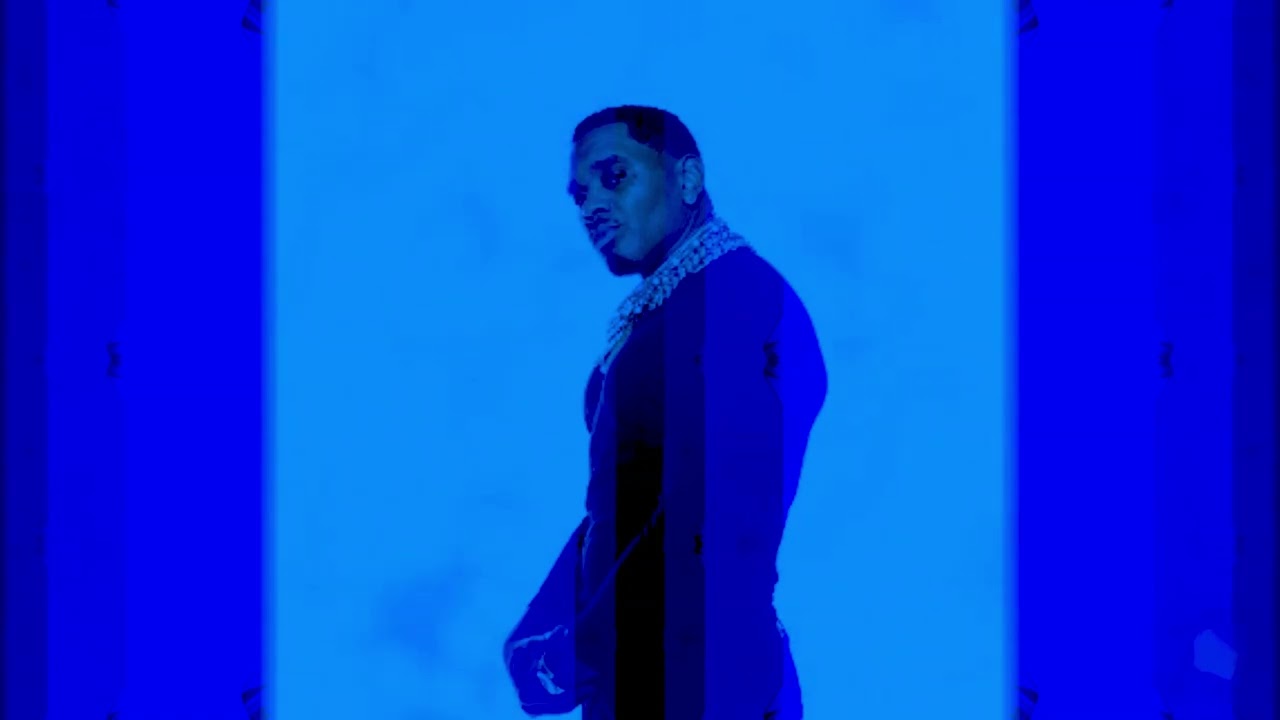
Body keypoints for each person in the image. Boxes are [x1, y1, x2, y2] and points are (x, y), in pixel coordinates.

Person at [503, 106, 827, 720]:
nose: (592, 206)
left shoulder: (733, 299)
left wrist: (583, 651)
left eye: (615, 176)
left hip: (704, 676)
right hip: (653, 667)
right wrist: (546, 621)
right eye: (580, 194)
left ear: (687, 179)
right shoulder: (670, 307)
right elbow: (625, 505)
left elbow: (712, 513)